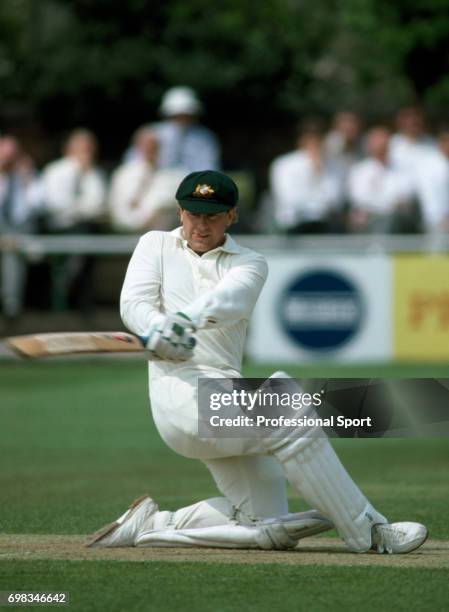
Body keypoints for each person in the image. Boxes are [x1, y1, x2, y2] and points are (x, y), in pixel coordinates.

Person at [88, 170, 427, 554]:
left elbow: (231, 300)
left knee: (264, 522)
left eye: (212, 216)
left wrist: (184, 323)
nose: (200, 225)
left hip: (224, 395)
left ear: (231, 216)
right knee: (285, 403)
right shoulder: (154, 245)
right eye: (193, 214)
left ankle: (154, 525)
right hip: (178, 396)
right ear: (180, 212)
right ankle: (370, 532)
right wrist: (157, 327)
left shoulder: (249, 262)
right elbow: (134, 303)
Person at [41, 129, 107, 311]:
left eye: (90, 148)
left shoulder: (95, 174)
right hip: (58, 229)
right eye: (84, 147)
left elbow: (99, 204)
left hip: (86, 228)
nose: (88, 152)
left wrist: (79, 210)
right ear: (70, 148)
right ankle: (61, 300)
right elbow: (56, 204)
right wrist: (84, 209)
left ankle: (80, 302)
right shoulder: (55, 171)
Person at [269, 122, 344, 234]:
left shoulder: (332, 166)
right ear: (301, 140)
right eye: (310, 138)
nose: (315, 143)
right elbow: (289, 198)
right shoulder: (284, 164)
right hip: (293, 225)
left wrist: (319, 171)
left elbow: (335, 200)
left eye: (318, 138)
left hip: (325, 225)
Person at [125, 87, 221, 172]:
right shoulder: (152, 133)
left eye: (186, 114)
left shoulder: (205, 137)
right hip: (158, 182)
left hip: (192, 183)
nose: (182, 118)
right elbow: (133, 163)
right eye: (177, 114)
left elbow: (210, 166)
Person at [109, 127, 183, 232]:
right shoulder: (123, 174)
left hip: (162, 230)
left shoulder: (172, 175)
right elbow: (119, 208)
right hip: (129, 229)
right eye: (146, 146)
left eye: (154, 146)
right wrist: (140, 220)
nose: (150, 150)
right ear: (137, 147)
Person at [0, 135, 42, 318]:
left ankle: (11, 305)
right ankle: (11, 304)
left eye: (12, 156)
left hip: (20, 232)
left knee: (13, 250)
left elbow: (38, 205)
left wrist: (26, 182)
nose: (8, 161)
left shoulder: (26, 177)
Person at [347, 126, 417, 233]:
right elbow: (360, 198)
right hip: (368, 219)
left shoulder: (401, 169)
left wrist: (384, 203)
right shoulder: (360, 170)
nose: (381, 145)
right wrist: (387, 203)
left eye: (384, 141)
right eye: (377, 142)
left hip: (394, 219)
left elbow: (405, 196)